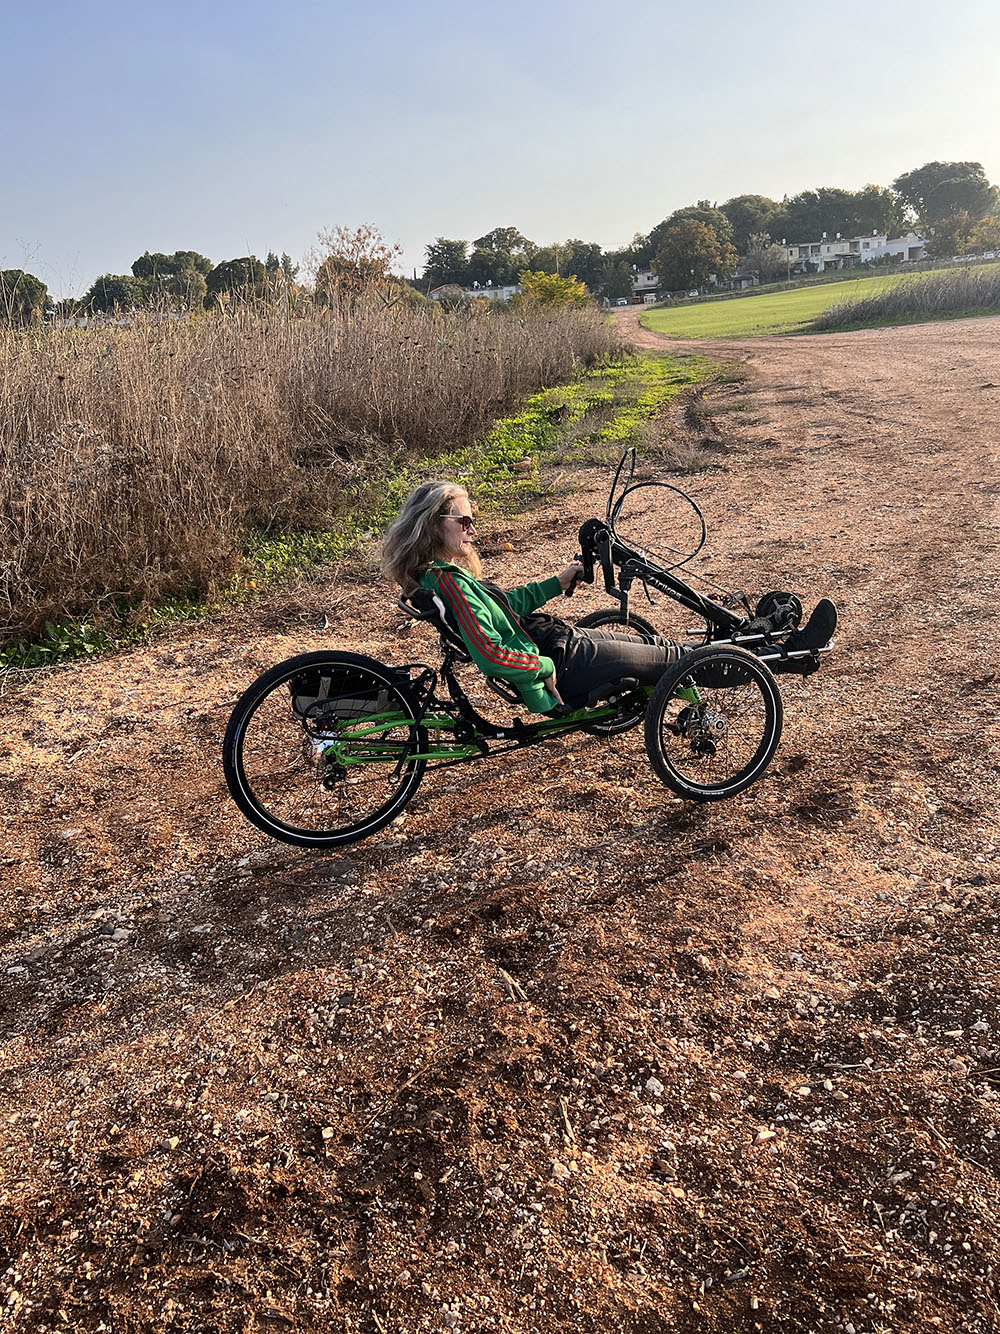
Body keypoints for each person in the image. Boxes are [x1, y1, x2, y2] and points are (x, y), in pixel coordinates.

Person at [382, 481, 835, 715]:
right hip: (563, 659)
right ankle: (789, 653)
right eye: (463, 520)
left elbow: (507, 609)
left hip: (558, 644)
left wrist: (557, 583)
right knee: (677, 657)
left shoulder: (440, 577)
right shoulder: (451, 583)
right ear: (432, 524)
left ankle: (771, 647)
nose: (472, 528)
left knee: (662, 649)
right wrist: (542, 667)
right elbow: (491, 654)